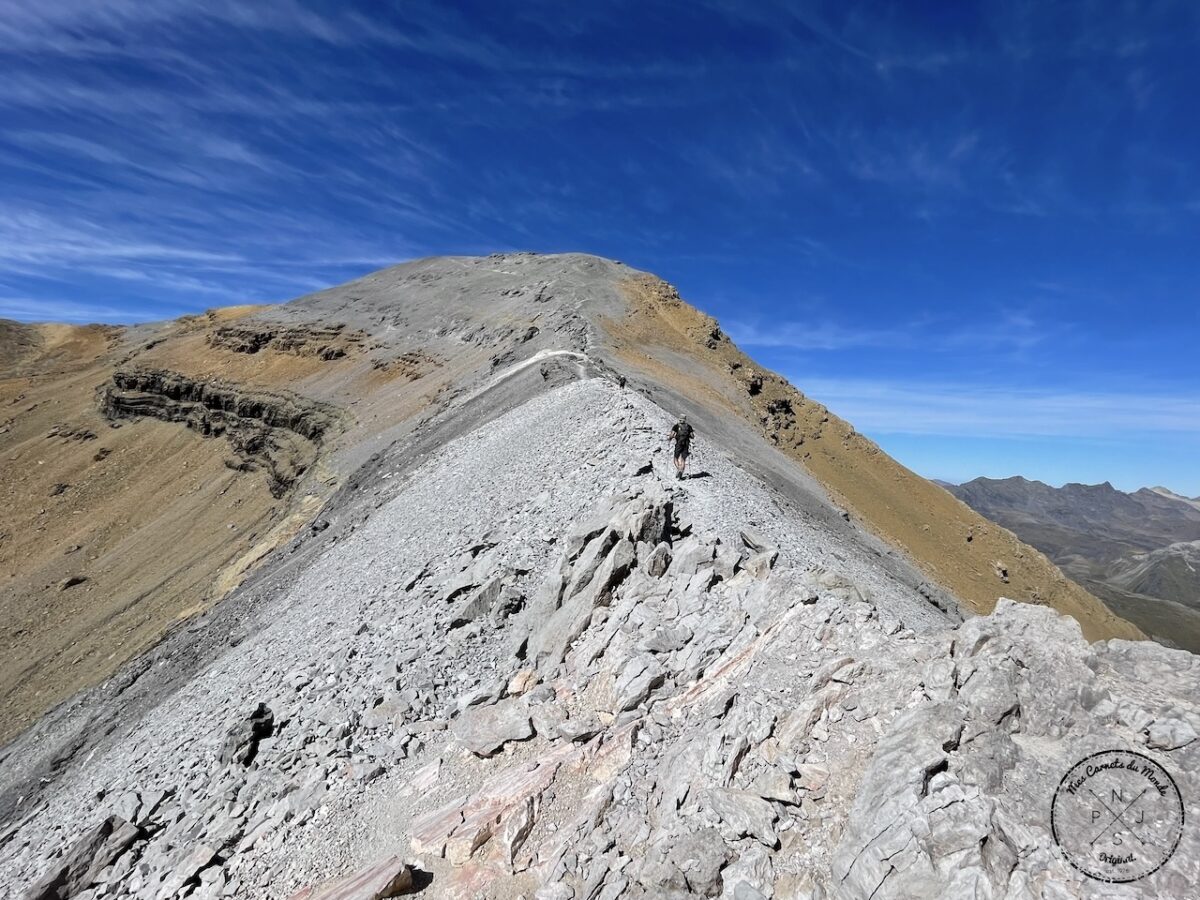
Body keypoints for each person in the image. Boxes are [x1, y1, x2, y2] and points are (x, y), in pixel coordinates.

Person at [668, 415, 693, 480]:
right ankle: (681, 472)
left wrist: (670, 438)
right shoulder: (688, 426)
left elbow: (672, 435)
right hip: (686, 444)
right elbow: (692, 436)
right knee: (683, 459)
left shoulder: (676, 426)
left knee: (675, 458)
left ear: (679, 419)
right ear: (685, 419)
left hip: (679, 444)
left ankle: (679, 469)